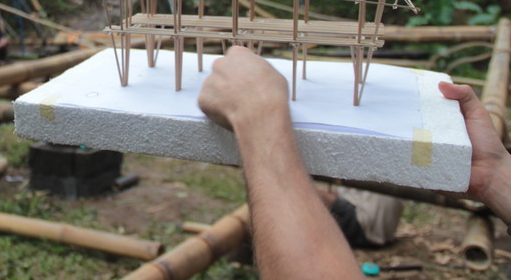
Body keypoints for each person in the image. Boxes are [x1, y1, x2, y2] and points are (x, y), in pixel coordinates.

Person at [198, 45, 511, 278]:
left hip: (367, 224)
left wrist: (260, 122)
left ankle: (239, 261)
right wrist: (494, 171)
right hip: (375, 215)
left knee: (285, 203)